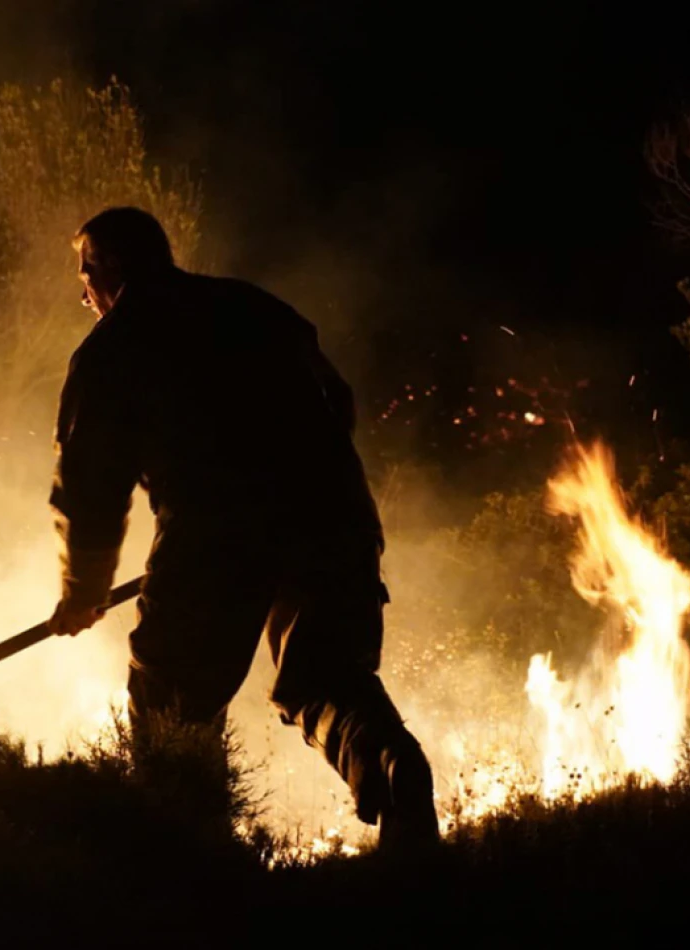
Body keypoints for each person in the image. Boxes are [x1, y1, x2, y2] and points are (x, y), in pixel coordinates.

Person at [45, 206, 440, 851]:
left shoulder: (111, 351)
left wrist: (84, 587)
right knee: (328, 681)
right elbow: (337, 401)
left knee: (172, 696)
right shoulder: (256, 309)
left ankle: (188, 864)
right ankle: (396, 774)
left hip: (213, 538)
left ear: (113, 268)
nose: (81, 290)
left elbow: (88, 488)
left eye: (85, 272)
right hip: (334, 514)